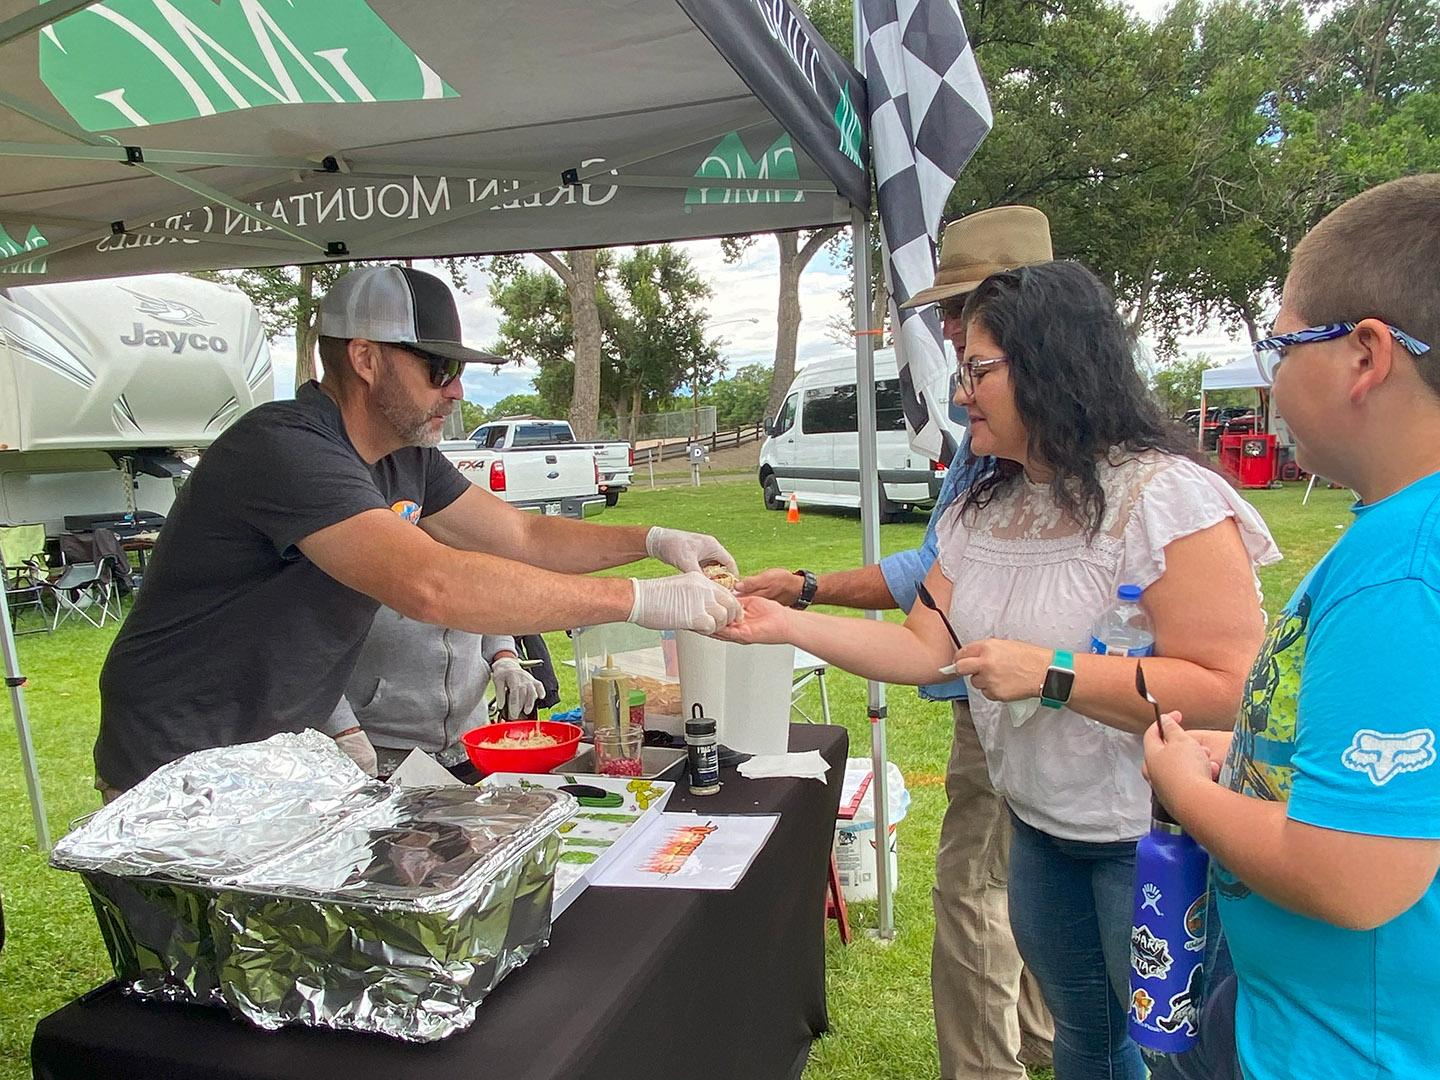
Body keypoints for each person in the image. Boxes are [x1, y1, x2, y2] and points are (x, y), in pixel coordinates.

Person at [721, 260, 1278, 1080]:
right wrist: (783, 623)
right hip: (1041, 831)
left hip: (1153, 841)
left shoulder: (1166, 499)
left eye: (979, 370)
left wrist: (1055, 673)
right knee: (1086, 1037)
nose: (960, 394)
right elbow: (922, 647)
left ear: (1050, 364)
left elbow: (1228, 687)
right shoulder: (991, 502)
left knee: (1181, 1060)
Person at [95, 264, 740, 796]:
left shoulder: (408, 458)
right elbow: (433, 584)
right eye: (438, 368)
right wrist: (642, 600)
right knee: (203, 956)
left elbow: (520, 537)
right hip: (175, 753)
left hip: (268, 754)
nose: (456, 390)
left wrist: (653, 539)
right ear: (366, 358)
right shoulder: (284, 447)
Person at [741, 205, 1056, 1080]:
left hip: (1043, 735)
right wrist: (800, 600)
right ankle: (1042, 1046)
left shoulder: (1135, 488)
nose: (951, 342)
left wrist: (1059, 679)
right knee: (1015, 896)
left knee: (976, 897)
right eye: (950, 314)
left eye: (964, 315)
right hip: (990, 714)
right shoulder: (991, 457)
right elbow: (931, 600)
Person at [1142, 174, 1440, 1080]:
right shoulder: (1394, 538)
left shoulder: (1398, 572)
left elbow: (1354, 875)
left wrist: (1184, 788)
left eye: (1282, 343)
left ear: (1364, 356)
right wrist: (1238, 753)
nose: (1272, 374)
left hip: (1342, 1050)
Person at [323, 605, 547, 780]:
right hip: (379, 751)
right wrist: (344, 730)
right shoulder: (355, 558)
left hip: (468, 745)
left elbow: (492, 611)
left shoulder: (477, 550)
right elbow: (312, 658)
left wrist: (505, 657)